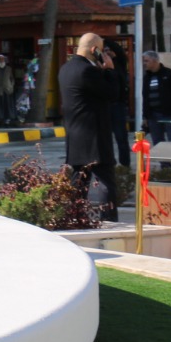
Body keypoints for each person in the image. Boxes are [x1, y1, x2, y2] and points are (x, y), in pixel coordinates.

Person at [58, 33, 119, 221]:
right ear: (95, 50)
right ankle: (108, 221)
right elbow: (112, 93)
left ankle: (74, 219)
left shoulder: (65, 69)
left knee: (79, 181)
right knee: (105, 182)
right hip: (94, 135)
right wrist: (110, 70)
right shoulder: (88, 71)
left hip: (75, 135)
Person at [141, 50, 171, 144]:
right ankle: (161, 155)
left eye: (147, 61)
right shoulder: (147, 77)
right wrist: (145, 116)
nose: (144, 63)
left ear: (155, 61)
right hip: (152, 114)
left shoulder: (170, 74)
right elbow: (145, 97)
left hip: (168, 113)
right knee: (157, 141)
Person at [104, 39, 132, 169]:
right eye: (105, 50)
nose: (107, 53)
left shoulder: (119, 64)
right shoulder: (102, 65)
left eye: (109, 50)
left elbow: (121, 53)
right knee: (105, 138)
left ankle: (125, 164)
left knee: (121, 137)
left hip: (118, 105)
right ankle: (110, 162)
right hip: (106, 104)